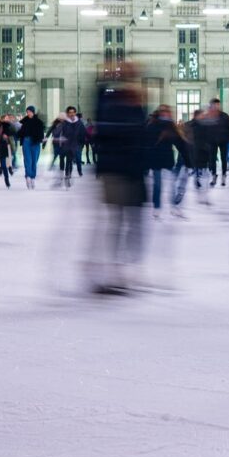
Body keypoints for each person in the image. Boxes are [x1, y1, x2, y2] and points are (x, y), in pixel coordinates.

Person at [92, 70, 147, 293]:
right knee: (119, 224)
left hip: (130, 173)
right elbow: (100, 110)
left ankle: (122, 271)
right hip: (117, 172)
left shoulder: (137, 109)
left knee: (129, 225)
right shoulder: (113, 104)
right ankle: (116, 272)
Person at [145, 105, 189, 218]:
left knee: (172, 184)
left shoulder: (171, 125)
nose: (165, 113)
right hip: (156, 158)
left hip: (167, 158)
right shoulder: (153, 125)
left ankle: (173, 206)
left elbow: (179, 143)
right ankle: (157, 207)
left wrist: (187, 158)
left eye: (167, 111)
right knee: (158, 184)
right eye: (163, 111)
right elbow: (148, 142)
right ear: (160, 113)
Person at [205, 98, 229, 187]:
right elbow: (205, 129)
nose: (216, 107)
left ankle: (223, 176)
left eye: (218, 105)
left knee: (223, 159)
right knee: (212, 159)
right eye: (215, 105)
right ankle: (214, 176)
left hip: (223, 140)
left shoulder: (224, 116)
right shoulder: (209, 116)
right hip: (212, 141)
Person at [17, 105, 45, 188]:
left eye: (29, 111)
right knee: (27, 160)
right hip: (26, 142)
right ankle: (28, 177)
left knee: (34, 161)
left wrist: (41, 140)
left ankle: (33, 177)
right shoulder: (24, 121)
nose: (28, 113)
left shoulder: (39, 122)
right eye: (27, 112)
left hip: (35, 143)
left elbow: (41, 133)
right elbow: (19, 132)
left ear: (33, 112)